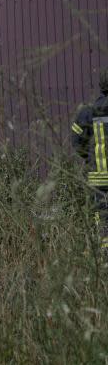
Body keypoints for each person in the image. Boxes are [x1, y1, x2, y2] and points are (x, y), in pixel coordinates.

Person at [70, 68, 108, 260]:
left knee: (102, 218)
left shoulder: (89, 112)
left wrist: (88, 158)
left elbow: (76, 139)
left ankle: (103, 256)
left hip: (99, 176)